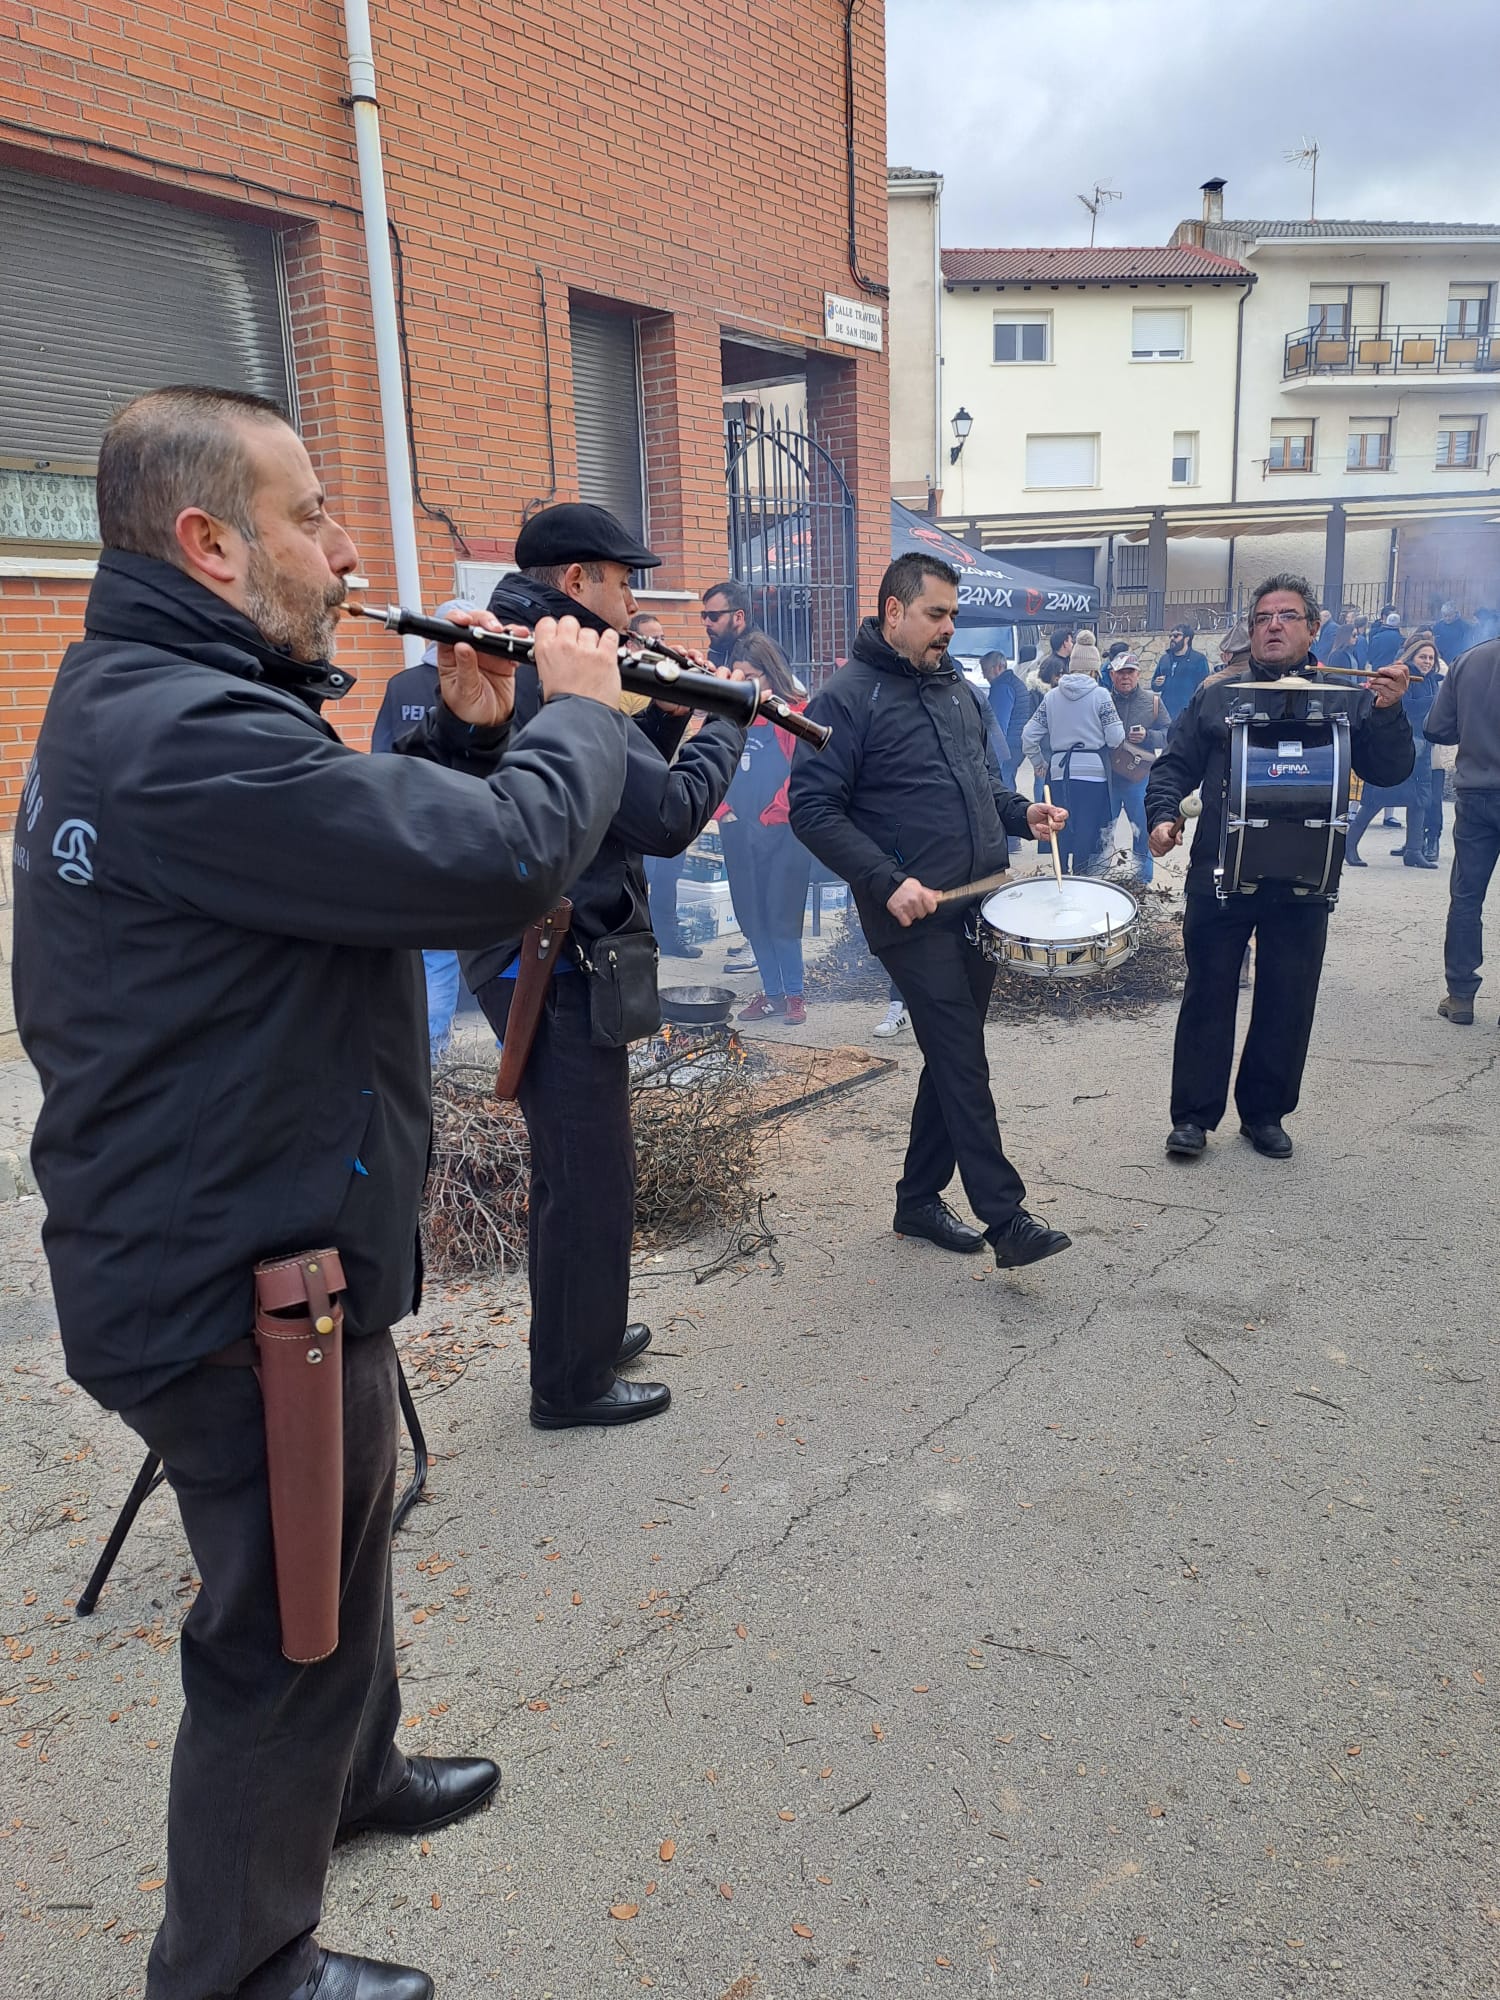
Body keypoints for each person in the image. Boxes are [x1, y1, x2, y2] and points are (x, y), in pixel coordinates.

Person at [11, 388, 632, 2000]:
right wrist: (579, 718)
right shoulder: (187, 735)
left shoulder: (165, 697)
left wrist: (479, 733)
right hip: (233, 1279)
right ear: (209, 544)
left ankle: (350, 1780)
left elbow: (362, 857)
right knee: (281, 1628)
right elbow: (492, 866)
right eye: (310, 517)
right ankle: (237, 1966)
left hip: (259, 1235)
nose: (352, 554)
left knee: (339, 1546)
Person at [462, 504, 744, 1430]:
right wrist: (725, 723)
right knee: (589, 1179)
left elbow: (600, 798)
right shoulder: (558, 675)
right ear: (577, 582)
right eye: (623, 582)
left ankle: (581, 1333)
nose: (631, 603)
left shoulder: (534, 657)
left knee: (576, 1169)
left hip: (543, 949)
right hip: (557, 959)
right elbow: (664, 818)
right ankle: (570, 1383)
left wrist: (662, 718)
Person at [789, 553, 1072, 1271]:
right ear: (894, 611)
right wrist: (887, 882)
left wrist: (1022, 813)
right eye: (936, 614)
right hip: (911, 915)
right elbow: (812, 809)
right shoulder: (843, 699)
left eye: (953, 615)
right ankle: (1006, 1218)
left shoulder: (959, 691)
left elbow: (984, 784)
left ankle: (917, 1199)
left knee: (951, 1053)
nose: (949, 628)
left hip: (980, 903)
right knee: (962, 1055)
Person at [1146, 572, 1413, 1161]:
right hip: (1220, 870)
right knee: (1208, 993)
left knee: (1288, 998)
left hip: (1306, 875)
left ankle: (1265, 1114)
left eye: (1287, 616)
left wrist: (1390, 711)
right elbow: (1173, 766)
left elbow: (1390, 771)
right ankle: (1192, 1118)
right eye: (1263, 617)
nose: (1273, 626)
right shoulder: (1218, 694)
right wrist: (1163, 815)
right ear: (1250, 631)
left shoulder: (1348, 696)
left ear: (1313, 629)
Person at [370, 597, 478, 1057]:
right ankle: (508, 1056)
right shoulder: (483, 687)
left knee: (435, 954)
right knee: (494, 951)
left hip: (415, 833)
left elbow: (380, 758)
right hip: (472, 833)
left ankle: (434, 1056)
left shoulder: (401, 685)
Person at [717, 630, 814, 1026]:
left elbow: (804, 773)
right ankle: (771, 994)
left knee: (781, 917)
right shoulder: (728, 713)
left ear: (771, 674)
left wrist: (774, 816)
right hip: (739, 831)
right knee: (753, 916)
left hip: (784, 834)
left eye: (751, 675)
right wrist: (723, 810)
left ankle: (794, 994)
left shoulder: (794, 712)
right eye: (738, 675)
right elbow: (710, 765)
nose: (744, 683)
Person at [1424, 633, 1500, 1024]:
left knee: (1467, 897)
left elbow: (1437, 728)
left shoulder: (1468, 660)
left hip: (1477, 793)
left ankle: (1461, 996)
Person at [633, 610, 703, 960]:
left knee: (668, 877)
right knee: (643, 877)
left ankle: (669, 935)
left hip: (670, 787)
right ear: (635, 642)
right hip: (642, 798)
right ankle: (644, 941)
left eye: (662, 636)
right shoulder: (628, 681)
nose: (661, 643)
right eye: (653, 638)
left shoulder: (666, 679)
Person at [1021, 642, 1125, 875]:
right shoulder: (1101, 696)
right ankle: (1081, 878)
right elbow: (1116, 737)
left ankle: (1062, 878)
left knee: (1059, 826)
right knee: (1087, 830)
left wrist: (1039, 763)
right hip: (1093, 775)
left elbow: (1028, 735)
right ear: (1094, 669)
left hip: (1059, 773)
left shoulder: (1052, 697)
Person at [1345, 634, 1442, 868]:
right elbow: (1407, 707)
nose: (1427, 662)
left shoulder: (1430, 680)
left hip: (1423, 747)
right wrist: (1436, 700)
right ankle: (1348, 845)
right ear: (1412, 657)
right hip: (1398, 748)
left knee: (1420, 800)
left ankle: (1413, 850)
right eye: (1423, 657)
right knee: (1375, 801)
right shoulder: (1402, 676)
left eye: (1431, 658)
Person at [1104, 653, 1167, 881]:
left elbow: (1170, 734)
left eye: (1130, 672)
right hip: (1108, 778)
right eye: (1120, 672)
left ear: (1138, 674)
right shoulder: (1102, 701)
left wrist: (1148, 736)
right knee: (1102, 832)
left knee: (1142, 832)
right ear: (1112, 675)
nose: (1125, 677)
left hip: (1140, 779)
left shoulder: (1153, 701)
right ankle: (1101, 880)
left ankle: (1143, 882)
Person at [1151, 622, 1211, 722]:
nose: (1172, 638)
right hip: (1166, 713)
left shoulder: (1198, 659)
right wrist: (1157, 683)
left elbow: (1204, 687)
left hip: (1188, 714)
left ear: (1187, 639)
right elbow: (1154, 685)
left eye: (1176, 636)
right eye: (1170, 636)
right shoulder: (1164, 659)